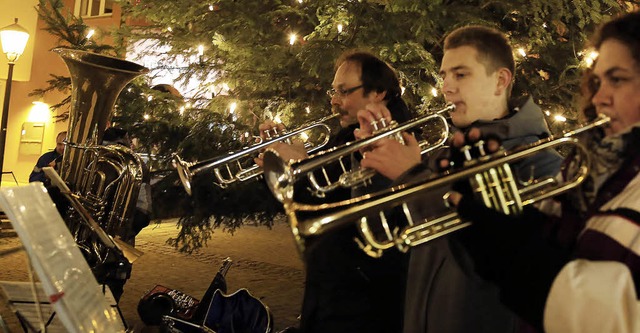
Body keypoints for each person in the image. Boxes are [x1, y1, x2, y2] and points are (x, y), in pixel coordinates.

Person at [441, 11, 640, 333]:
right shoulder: (585, 172)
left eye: (617, 79)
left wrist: (518, 256)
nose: (600, 97)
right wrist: (489, 212)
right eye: (597, 81)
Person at [357, 26, 563, 333]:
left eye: (461, 74)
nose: (446, 87)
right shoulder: (444, 156)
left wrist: (413, 176)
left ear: (500, 81)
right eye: (444, 76)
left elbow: (502, 265)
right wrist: (381, 161)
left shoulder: (543, 165)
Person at [256, 50, 412, 333]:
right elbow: (306, 205)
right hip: (333, 290)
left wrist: (301, 166)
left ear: (378, 93)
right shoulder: (344, 138)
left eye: (344, 91)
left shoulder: (396, 143)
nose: (334, 100)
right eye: (334, 90)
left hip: (363, 302)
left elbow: (357, 218)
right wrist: (285, 170)